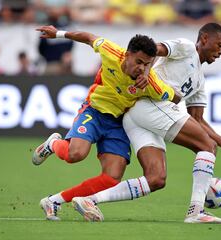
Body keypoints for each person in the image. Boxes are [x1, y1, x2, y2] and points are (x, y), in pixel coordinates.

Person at [71, 23, 221, 224]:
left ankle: (89, 200)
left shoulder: (200, 82)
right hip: (152, 103)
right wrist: (146, 73)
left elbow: (198, 119)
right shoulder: (185, 47)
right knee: (207, 146)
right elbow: (154, 48)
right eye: (219, 45)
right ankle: (196, 212)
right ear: (204, 39)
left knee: (156, 178)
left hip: (137, 116)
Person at [32, 25, 177, 220]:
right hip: (94, 111)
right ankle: (53, 144)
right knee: (75, 154)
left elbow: (176, 97)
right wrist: (58, 34)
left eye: (147, 64)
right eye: (139, 62)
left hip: (119, 123)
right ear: (127, 55)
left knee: (111, 178)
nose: (141, 68)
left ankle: (53, 201)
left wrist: (153, 77)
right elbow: (87, 36)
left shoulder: (149, 82)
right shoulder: (110, 51)